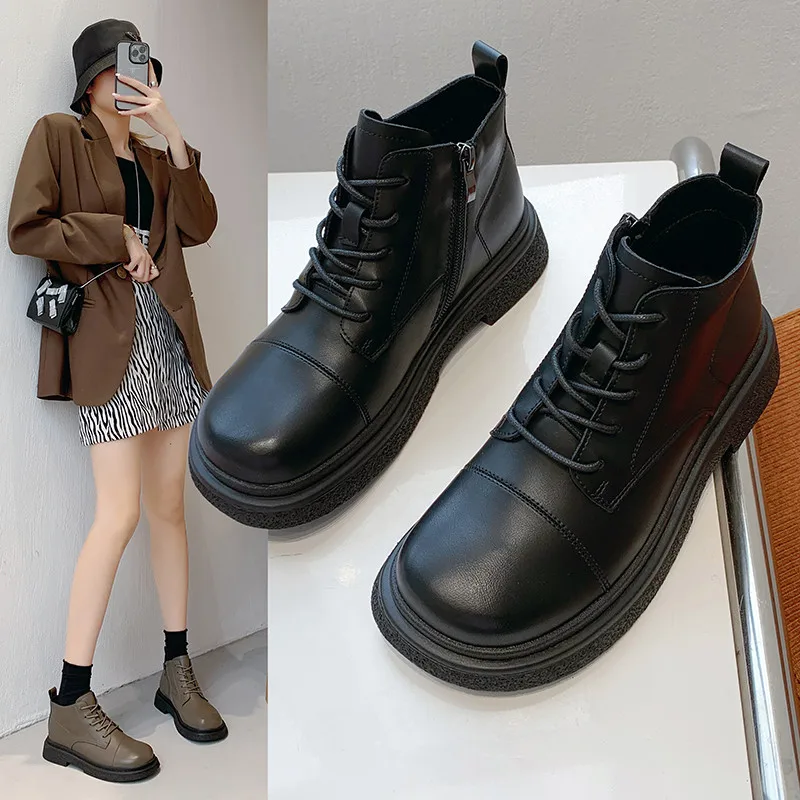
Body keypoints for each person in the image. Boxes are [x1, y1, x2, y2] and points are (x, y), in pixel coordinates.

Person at [8, 19, 226, 783]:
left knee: (169, 507)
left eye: (142, 69)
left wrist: (174, 134)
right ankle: (70, 703)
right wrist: (115, 236)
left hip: (168, 337)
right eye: (118, 69)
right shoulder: (58, 136)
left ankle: (176, 668)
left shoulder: (157, 157)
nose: (131, 81)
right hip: (109, 343)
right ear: (90, 79)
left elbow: (200, 225)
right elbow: (26, 228)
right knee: (119, 514)